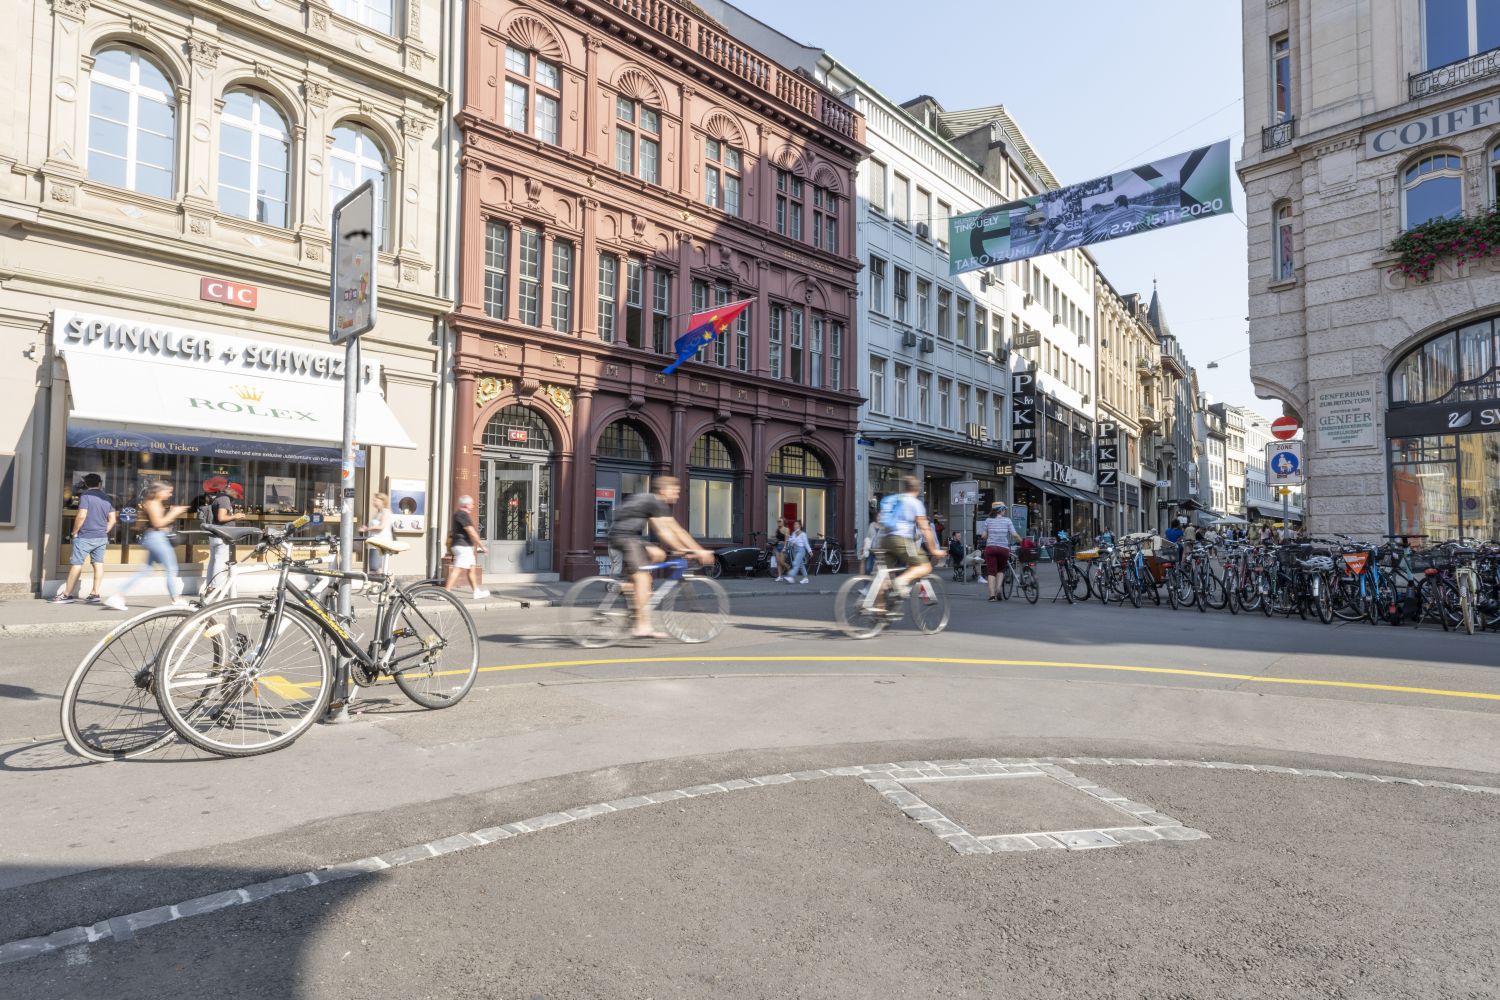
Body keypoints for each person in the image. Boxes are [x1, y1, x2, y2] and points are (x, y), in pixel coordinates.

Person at [606, 476, 712, 637]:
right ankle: (642, 626)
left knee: (659, 554)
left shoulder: (651, 502)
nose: (677, 496)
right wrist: (696, 550)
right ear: (664, 490)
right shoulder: (655, 503)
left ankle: (628, 587)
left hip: (627, 537)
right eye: (675, 492)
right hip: (625, 538)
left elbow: (674, 529)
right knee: (642, 578)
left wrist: (684, 548)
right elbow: (667, 532)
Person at [105, 481, 188, 610]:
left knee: (144, 570)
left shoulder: (153, 503)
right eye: (168, 491)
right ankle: (176, 599)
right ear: (159, 491)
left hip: (154, 537)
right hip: (157, 538)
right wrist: (174, 513)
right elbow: (158, 523)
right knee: (172, 568)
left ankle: (117, 596)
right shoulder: (153, 503)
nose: (170, 494)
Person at [53, 474, 116, 605]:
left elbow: (81, 516)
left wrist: (74, 532)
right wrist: (105, 530)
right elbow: (113, 519)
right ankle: (95, 594)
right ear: (100, 483)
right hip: (101, 537)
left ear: (86, 484)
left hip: (85, 536)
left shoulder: (86, 496)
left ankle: (67, 594)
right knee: (98, 564)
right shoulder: (107, 498)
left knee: (76, 564)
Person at [878, 475, 942, 601]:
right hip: (901, 539)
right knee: (924, 567)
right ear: (917, 489)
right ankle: (900, 582)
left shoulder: (896, 499)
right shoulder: (915, 503)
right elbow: (925, 528)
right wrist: (934, 550)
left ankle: (879, 613)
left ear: (904, 488)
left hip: (884, 539)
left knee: (886, 576)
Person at [202, 480, 245, 591]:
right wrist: (236, 516)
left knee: (214, 560)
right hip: (222, 534)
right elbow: (221, 518)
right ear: (232, 491)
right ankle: (216, 587)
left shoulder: (218, 498)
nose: (236, 497)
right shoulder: (224, 499)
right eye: (236, 494)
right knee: (220, 561)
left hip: (215, 533)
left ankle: (210, 586)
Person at [443, 495, 490, 599]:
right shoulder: (462, 514)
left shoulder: (459, 514)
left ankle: (476, 592)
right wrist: (482, 546)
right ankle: (445, 593)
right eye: (472, 504)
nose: (473, 506)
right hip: (463, 546)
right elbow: (471, 531)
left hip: (463, 546)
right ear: (466, 504)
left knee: (471, 569)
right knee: (457, 569)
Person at [978, 502, 1021, 602]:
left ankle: (992, 596)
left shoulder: (988, 520)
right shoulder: (1007, 521)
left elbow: (983, 536)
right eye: (1004, 509)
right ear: (1000, 510)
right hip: (1003, 549)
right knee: (1000, 570)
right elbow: (1014, 535)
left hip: (991, 548)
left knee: (991, 572)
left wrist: (991, 536)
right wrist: (1022, 541)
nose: (1005, 511)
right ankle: (998, 590)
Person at [362, 492, 397, 574]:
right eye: (374, 500)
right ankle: (385, 583)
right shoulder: (377, 513)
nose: (374, 502)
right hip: (374, 543)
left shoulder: (386, 512)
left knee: (376, 568)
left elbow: (381, 527)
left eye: (376, 500)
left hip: (381, 543)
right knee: (376, 568)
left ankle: (389, 581)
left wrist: (367, 529)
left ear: (382, 501)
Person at [784, 519, 812, 584]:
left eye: (796, 524)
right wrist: (789, 538)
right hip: (795, 550)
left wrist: (810, 551)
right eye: (794, 524)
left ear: (800, 526)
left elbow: (806, 543)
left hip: (801, 550)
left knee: (796, 563)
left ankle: (791, 577)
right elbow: (792, 541)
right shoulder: (793, 533)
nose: (795, 526)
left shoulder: (803, 534)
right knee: (801, 565)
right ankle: (806, 578)